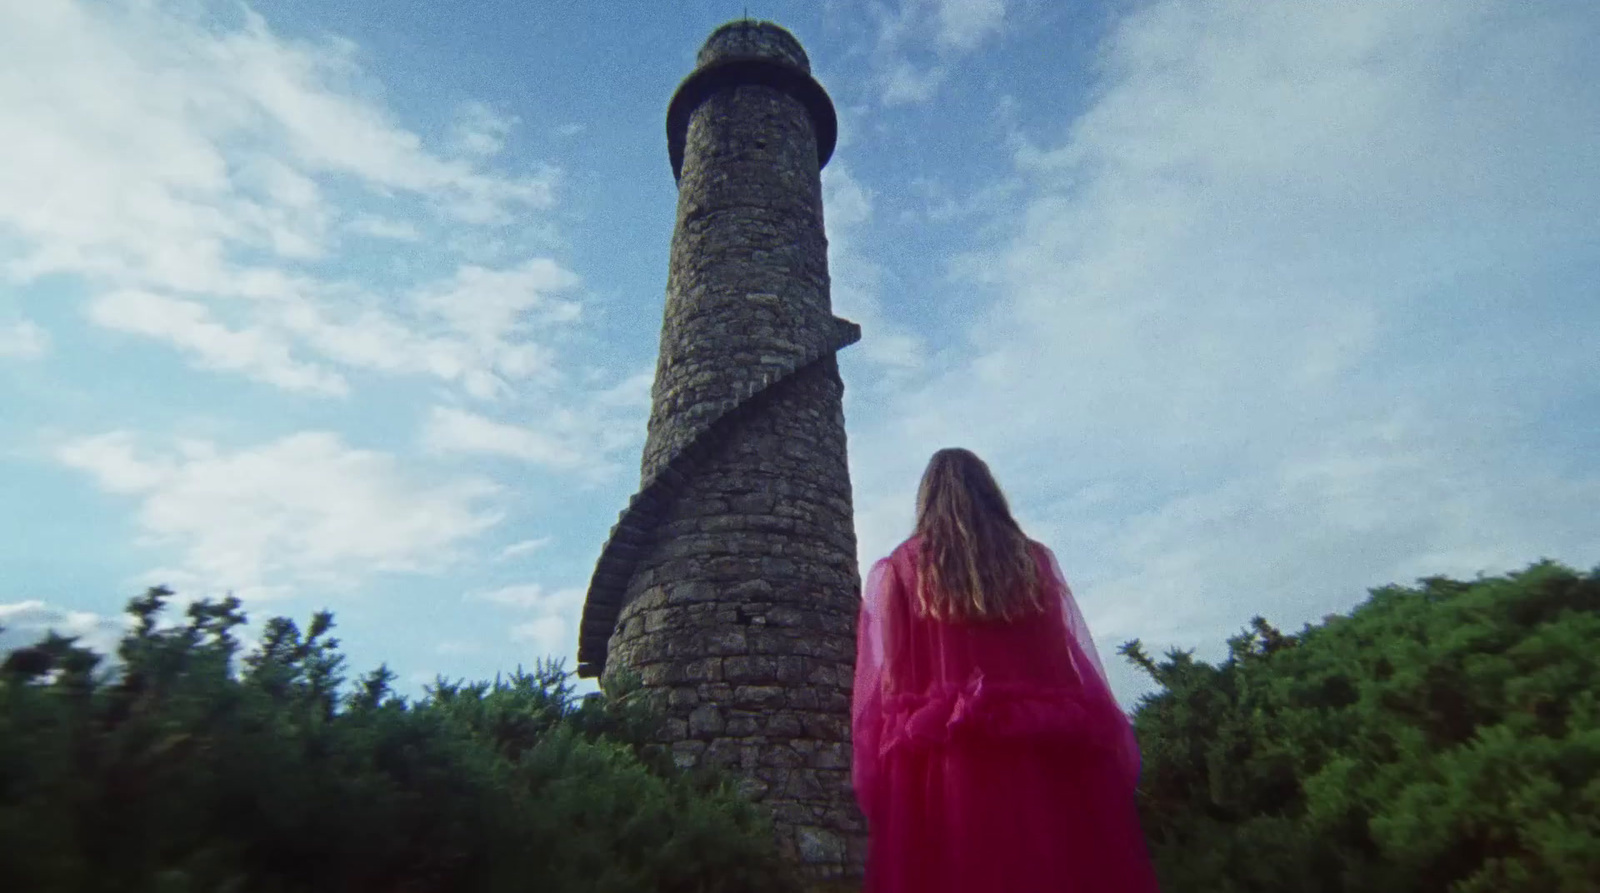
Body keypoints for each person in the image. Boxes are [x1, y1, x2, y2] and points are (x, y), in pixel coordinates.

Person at [851, 448, 1161, 893]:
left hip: (948, 760)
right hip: (1043, 753)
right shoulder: (1032, 560)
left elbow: (895, 675)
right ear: (990, 492)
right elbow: (1059, 658)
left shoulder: (902, 568)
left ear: (927, 498)